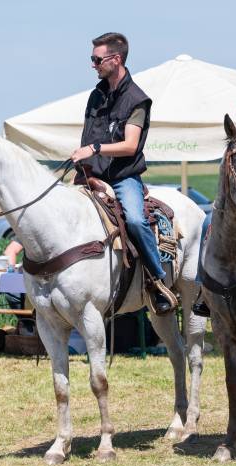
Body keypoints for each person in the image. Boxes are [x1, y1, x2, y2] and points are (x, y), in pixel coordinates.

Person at [69, 32, 176, 315]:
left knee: (137, 221)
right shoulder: (96, 95)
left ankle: (157, 281)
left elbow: (130, 146)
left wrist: (94, 149)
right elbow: (87, 136)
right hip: (92, 175)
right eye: (92, 59)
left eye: (97, 59)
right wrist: (83, 169)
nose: (92, 64)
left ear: (115, 59)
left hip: (123, 177)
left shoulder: (137, 99)